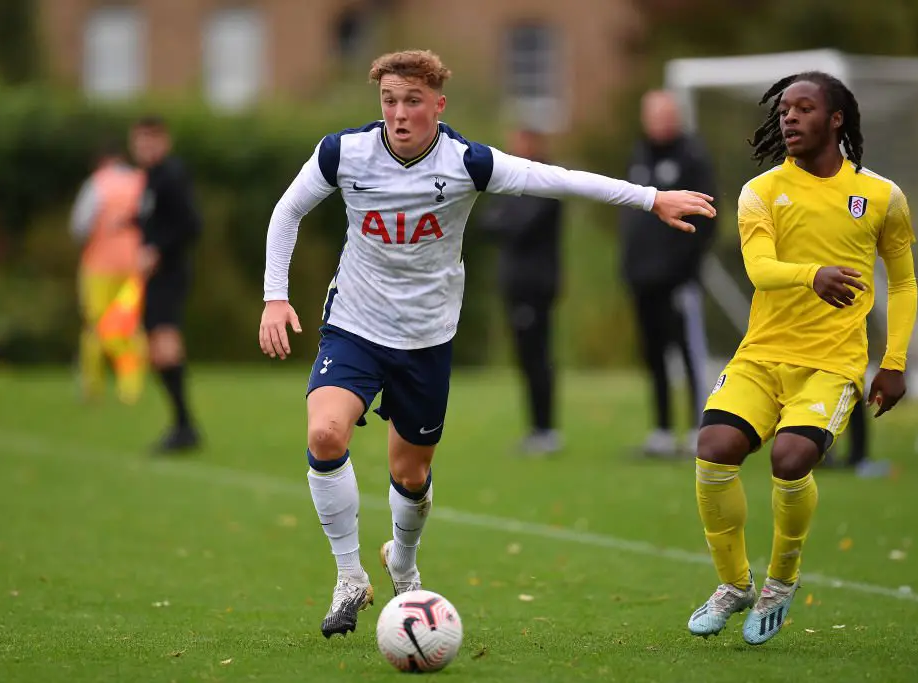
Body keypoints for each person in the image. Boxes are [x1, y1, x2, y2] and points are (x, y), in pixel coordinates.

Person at [257, 49, 716, 639]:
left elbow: (559, 180)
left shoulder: (468, 163)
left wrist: (651, 198)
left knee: (412, 474)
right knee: (324, 433)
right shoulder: (343, 153)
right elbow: (287, 211)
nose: (398, 114)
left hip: (426, 336)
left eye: (412, 102)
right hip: (354, 324)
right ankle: (349, 576)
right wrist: (276, 296)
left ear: (438, 106)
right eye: (389, 101)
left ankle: (402, 557)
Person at [686, 72, 918, 645]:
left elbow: (905, 283)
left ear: (835, 119)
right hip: (762, 355)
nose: (788, 117)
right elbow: (760, 270)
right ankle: (734, 585)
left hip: (832, 363)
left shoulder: (882, 197)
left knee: (790, 459)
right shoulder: (761, 191)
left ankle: (780, 583)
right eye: (784, 109)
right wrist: (811, 275)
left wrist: (894, 361)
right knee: (714, 451)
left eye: (804, 108)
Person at [619, 90, 719, 457]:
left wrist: (683, 268)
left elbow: (707, 218)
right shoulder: (639, 155)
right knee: (654, 354)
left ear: (676, 117)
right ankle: (662, 429)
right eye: (653, 115)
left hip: (678, 280)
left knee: (688, 353)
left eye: (665, 114)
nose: (659, 121)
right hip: (642, 280)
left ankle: (698, 427)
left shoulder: (692, 157)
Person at [475, 128, 564, 455]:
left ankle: (547, 429)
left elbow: (517, 226)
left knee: (538, 356)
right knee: (525, 357)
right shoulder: (513, 184)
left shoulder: (547, 184)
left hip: (536, 284)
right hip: (514, 284)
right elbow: (487, 221)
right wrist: (503, 220)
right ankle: (536, 428)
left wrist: (504, 220)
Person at [129, 116, 202, 453]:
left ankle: (184, 426)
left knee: (165, 343)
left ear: (164, 142)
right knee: (157, 347)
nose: (144, 147)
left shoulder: (171, 175)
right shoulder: (151, 178)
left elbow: (190, 224)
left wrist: (158, 250)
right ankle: (182, 424)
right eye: (139, 141)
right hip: (156, 276)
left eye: (150, 141)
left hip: (170, 274)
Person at [70, 142, 147, 405]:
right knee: (128, 326)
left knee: (95, 326)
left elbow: (80, 225)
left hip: (98, 267)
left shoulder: (96, 184)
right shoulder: (141, 181)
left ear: (102, 161)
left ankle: (93, 387)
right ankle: (130, 387)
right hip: (134, 266)